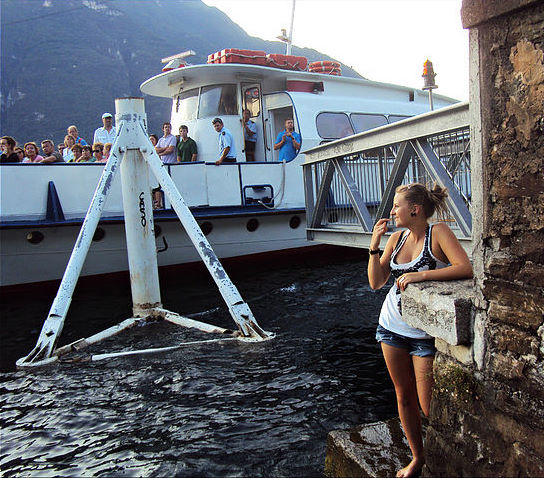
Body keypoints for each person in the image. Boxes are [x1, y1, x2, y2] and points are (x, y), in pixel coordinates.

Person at [367, 183, 473, 478]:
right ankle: (418, 457)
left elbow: (465, 268)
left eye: (396, 206)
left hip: (423, 336)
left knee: (427, 405)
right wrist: (375, 246)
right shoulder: (397, 239)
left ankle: (451, 456)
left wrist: (421, 275)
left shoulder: (437, 233)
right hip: (390, 327)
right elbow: (376, 283)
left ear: (414, 210)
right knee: (403, 396)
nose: (392, 211)